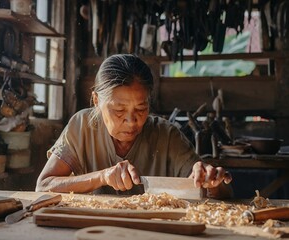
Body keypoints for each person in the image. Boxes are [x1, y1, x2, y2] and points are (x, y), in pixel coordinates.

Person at [36, 54, 233, 199]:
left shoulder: (167, 135)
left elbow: (220, 194)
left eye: (141, 108)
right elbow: (44, 186)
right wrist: (103, 177)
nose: (132, 121)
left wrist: (212, 182)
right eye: (119, 110)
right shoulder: (82, 126)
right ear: (96, 100)